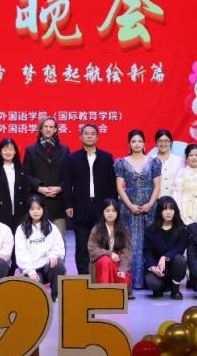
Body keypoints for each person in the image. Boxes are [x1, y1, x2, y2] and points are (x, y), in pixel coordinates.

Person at [62, 124, 117, 277]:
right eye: (86, 133)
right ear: (80, 137)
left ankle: (100, 276)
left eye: (93, 134)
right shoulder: (73, 158)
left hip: (102, 208)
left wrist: (113, 207)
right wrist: (68, 205)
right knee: (82, 245)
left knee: (102, 244)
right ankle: (84, 277)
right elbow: (67, 183)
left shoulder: (106, 157)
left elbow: (111, 184)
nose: (90, 136)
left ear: (97, 137)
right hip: (80, 207)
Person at [114, 129, 162, 297]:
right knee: (131, 241)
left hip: (149, 207)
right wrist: (130, 205)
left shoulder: (154, 162)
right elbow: (120, 187)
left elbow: (157, 186)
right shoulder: (121, 162)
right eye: (133, 141)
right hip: (129, 207)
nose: (137, 144)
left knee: (149, 241)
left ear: (144, 143)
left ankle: (150, 278)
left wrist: (150, 204)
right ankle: (131, 280)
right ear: (129, 144)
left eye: (140, 141)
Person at [15, 195, 66, 302]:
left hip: (47, 266)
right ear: (28, 211)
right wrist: (30, 271)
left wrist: (53, 255)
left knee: (59, 264)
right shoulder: (21, 229)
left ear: (43, 209)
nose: (36, 211)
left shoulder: (51, 227)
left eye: (38, 208)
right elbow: (21, 253)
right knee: (35, 297)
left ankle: (56, 294)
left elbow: (59, 247)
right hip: (32, 269)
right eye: (32, 209)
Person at [23, 117, 69, 233]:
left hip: (58, 202)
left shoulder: (65, 150)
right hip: (37, 202)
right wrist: (39, 188)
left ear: (55, 130)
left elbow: (69, 175)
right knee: (37, 238)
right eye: (45, 127)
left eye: (51, 127)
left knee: (59, 240)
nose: (48, 129)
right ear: (40, 129)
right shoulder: (30, 150)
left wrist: (60, 188)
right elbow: (26, 174)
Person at [142, 196, 187, 299]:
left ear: (175, 211)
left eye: (171, 209)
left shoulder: (182, 229)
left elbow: (180, 248)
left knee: (180, 260)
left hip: (174, 268)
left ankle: (175, 290)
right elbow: (147, 251)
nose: (168, 212)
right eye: (165, 209)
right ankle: (159, 288)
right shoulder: (151, 229)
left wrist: (165, 257)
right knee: (152, 283)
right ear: (160, 211)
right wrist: (152, 267)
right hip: (157, 267)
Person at [0, 137, 33, 234]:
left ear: (15, 151)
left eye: (11, 149)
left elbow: (26, 192)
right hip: (0, 212)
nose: (8, 152)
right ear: (0, 152)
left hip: (20, 212)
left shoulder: (22, 169)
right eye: (5, 149)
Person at [87, 198, 133, 292]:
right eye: (107, 211)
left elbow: (126, 253)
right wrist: (109, 253)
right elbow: (92, 250)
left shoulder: (124, 230)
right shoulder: (96, 230)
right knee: (106, 260)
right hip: (101, 266)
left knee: (124, 281)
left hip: (118, 266)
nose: (110, 213)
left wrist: (122, 269)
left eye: (113, 211)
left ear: (117, 213)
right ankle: (104, 292)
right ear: (103, 212)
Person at [154, 130, 183, 198]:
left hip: (174, 200)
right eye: (160, 141)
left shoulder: (178, 160)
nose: (163, 144)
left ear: (170, 142)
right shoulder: (151, 160)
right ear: (156, 142)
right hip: (157, 200)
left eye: (166, 141)